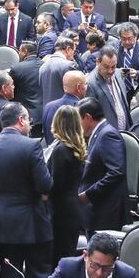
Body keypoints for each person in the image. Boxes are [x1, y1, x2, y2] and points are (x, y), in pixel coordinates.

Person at [0, 102, 53, 278]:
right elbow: (45, 185)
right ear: (21, 120)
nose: (29, 124)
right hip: (32, 222)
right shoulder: (31, 146)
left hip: (2, 223)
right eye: (28, 119)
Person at [77, 97, 127, 233]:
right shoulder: (98, 133)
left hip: (106, 213)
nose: (78, 125)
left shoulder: (108, 135)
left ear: (87, 117)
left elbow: (116, 172)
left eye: (78, 120)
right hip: (96, 212)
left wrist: (88, 194)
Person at [46, 105, 86, 263]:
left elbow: (56, 185)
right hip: (72, 207)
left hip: (60, 210)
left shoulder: (60, 150)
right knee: (66, 254)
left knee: (58, 256)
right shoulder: (75, 148)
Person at [86, 46, 130, 130]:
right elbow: (91, 117)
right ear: (98, 62)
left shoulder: (118, 73)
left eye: (113, 66)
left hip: (124, 131)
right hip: (106, 136)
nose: (110, 71)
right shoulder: (90, 83)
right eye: (106, 67)